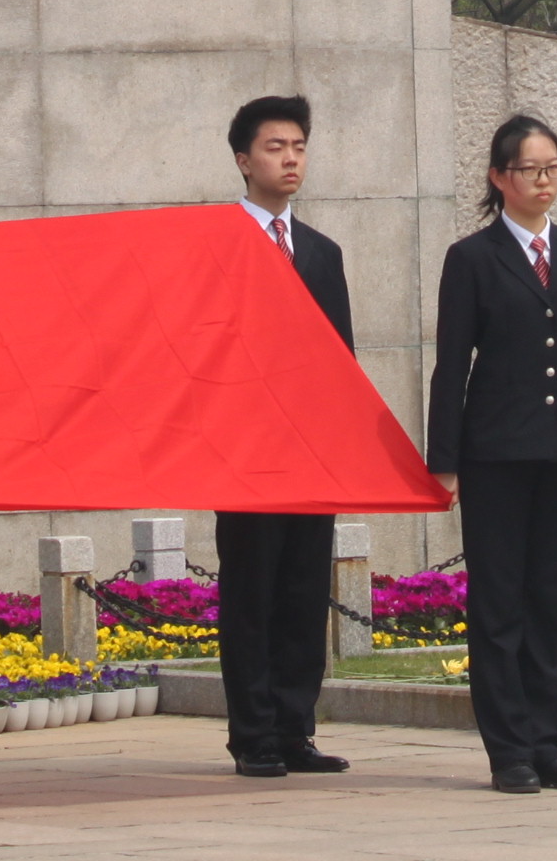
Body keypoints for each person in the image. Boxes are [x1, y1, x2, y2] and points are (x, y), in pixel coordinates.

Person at [425, 113, 557, 795]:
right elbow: (452, 365)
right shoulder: (472, 259)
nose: (544, 180)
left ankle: (549, 742)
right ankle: (509, 750)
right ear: (499, 177)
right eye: (531, 169)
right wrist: (443, 459)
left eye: (554, 167)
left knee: (547, 599)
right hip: (496, 455)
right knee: (499, 602)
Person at [215, 94, 356, 778]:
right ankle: (254, 735)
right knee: (251, 594)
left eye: (298, 146)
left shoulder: (323, 254)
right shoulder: (215, 247)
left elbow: (341, 363)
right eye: (276, 147)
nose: (291, 158)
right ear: (243, 160)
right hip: (243, 458)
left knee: (303, 592)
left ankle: (297, 728)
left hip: (311, 458)